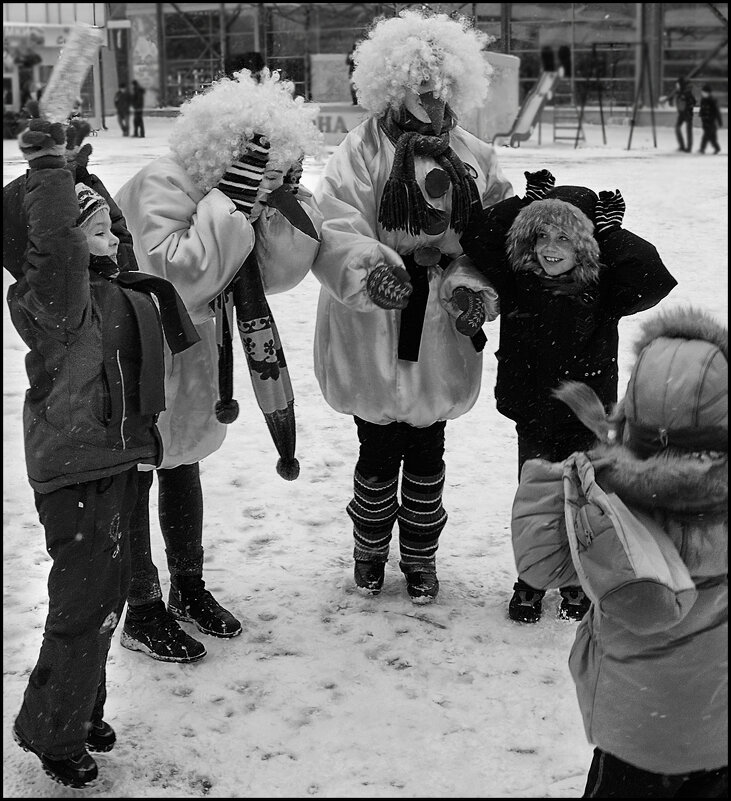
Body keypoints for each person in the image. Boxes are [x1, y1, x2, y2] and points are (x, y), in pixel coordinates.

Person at [6, 118, 198, 788]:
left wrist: (81, 180)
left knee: (109, 598)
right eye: (96, 230)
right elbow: (56, 244)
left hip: (115, 460)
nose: (112, 236)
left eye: (111, 229)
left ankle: (81, 710)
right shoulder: (56, 299)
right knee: (81, 605)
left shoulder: (113, 284)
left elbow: (99, 225)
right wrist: (51, 174)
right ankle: (51, 730)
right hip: (76, 467)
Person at [114, 68, 324, 663]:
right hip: (142, 356)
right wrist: (229, 205)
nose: (273, 183)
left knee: (184, 466)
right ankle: (142, 606)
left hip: (196, 356)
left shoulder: (231, 195)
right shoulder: (163, 182)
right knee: (137, 475)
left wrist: (279, 209)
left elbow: (272, 275)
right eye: (272, 172)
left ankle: (187, 585)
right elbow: (175, 274)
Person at [311, 9, 513, 603]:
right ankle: (369, 552)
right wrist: (373, 272)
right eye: (415, 82)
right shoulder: (360, 150)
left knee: (427, 449)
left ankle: (421, 558)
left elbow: (493, 233)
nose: (428, 92)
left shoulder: (474, 154)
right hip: (372, 320)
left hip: (440, 324)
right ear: (390, 85)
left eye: (438, 82)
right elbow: (335, 222)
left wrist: (473, 285)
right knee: (375, 448)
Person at [511, 305, 728, 798]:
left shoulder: (606, 496)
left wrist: (553, 483)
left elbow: (541, 566)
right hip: (720, 728)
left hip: (633, 730)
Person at [459, 171, 677, 622]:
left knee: (585, 497)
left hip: (587, 412)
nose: (550, 247)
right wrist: (524, 205)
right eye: (541, 234)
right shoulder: (515, 275)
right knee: (537, 497)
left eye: (565, 237)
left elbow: (652, 276)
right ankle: (532, 580)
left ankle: (579, 581)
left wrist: (609, 231)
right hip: (534, 409)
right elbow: (476, 235)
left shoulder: (605, 287)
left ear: (586, 243)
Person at [667, 76, 696, 153]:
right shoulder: (679, 92)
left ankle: (689, 148)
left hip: (688, 114)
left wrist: (692, 110)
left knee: (688, 131)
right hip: (681, 114)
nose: (676, 86)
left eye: (678, 85)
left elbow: (694, 102)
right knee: (677, 128)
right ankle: (682, 146)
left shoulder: (687, 93)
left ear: (681, 85)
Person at [698, 82, 722, 154]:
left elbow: (717, 112)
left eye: (704, 92)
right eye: (702, 92)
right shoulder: (703, 100)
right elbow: (701, 109)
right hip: (705, 121)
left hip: (711, 122)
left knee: (706, 136)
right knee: (712, 138)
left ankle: (702, 148)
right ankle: (717, 148)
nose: (703, 93)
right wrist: (700, 113)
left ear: (708, 93)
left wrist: (719, 121)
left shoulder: (712, 101)